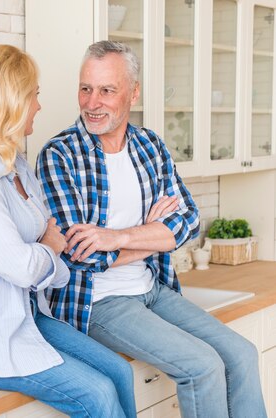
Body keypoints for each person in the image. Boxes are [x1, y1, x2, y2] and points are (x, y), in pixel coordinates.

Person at [37, 40, 267, 418]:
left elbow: (188, 220)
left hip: (152, 288)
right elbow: (82, 259)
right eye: (86, 88)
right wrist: (154, 235)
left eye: (107, 90)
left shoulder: (149, 146)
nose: (92, 103)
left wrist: (119, 236)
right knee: (202, 366)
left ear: (134, 92)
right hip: (98, 302)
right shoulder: (60, 155)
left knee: (241, 354)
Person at [0, 44, 137, 418]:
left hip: (25, 319)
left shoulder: (16, 164)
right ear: (11, 101)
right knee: (98, 394)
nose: (39, 105)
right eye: (33, 95)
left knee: (119, 371)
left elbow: (48, 260)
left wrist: (46, 252)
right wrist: (47, 250)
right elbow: (27, 265)